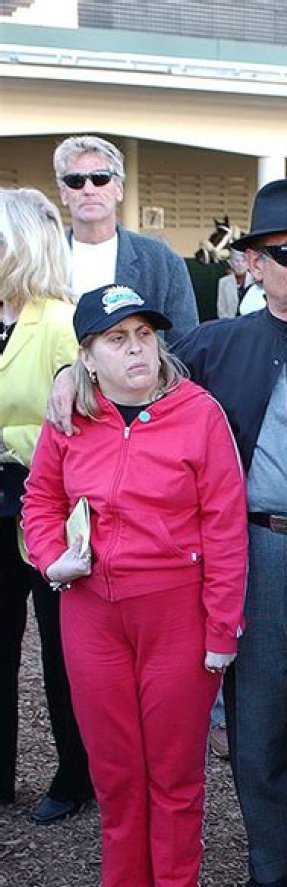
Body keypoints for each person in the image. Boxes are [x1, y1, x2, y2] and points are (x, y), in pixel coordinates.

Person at [48, 179, 287, 887]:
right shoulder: (212, 348)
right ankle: (271, 865)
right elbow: (126, 366)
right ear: (253, 262)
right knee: (256, 726)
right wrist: (66, 375)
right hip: (245, 555)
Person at [23, 284, 247, 887]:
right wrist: (51, 558)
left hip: (174, 610)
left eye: (144, 336)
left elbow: (226, 527)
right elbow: (41, 498)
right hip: (90, 611)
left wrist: (221, 629)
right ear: (87, 356)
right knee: (114, 761)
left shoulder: (198, 413)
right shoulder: (70, 418)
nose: (136, 351)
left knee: (173, 765)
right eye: (116, 340)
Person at [0, 186, 93, 822]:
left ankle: (75, 776)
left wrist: (10, 438)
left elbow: (84, 430)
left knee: (65, 653)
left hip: (51, 513)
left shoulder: (63, 324)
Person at [53, 135, 198, 342]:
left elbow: (186, 345)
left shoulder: (161, 261)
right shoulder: (43, 260)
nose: (88, 190)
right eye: (75, 181)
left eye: (100, 178)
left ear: (119, 189)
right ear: (63, 193)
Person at [216, 245, 266, 319]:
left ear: (248, 263)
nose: (240, 264)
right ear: (230, 263)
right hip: (230, 322)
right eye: (237, 261)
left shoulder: (256, 280)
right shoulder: (223, 282)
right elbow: (221, 310)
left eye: (243, 261)